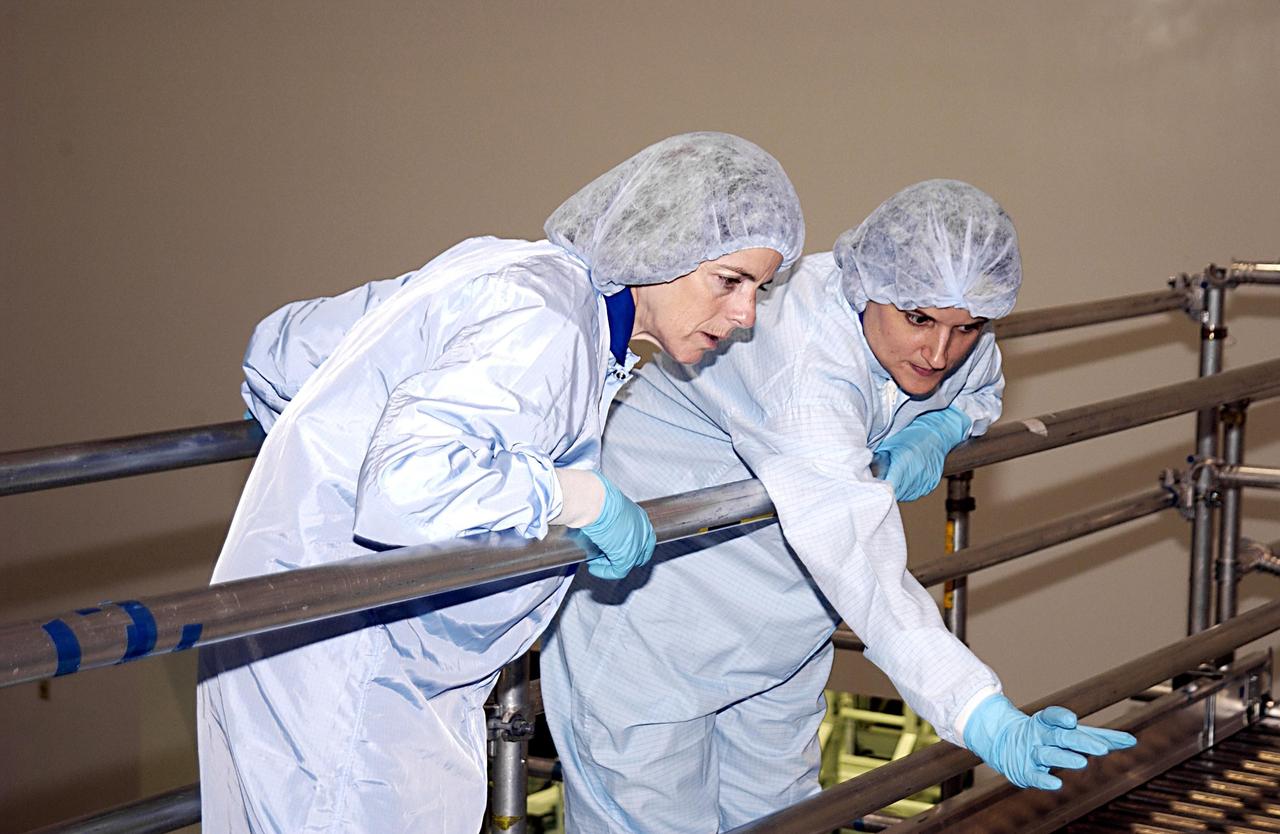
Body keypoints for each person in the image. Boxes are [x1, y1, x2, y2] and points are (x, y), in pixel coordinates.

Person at [195, 132, 804, 834]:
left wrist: (320, 424)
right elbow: (409, 483)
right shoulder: (543, 321)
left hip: (316, 647)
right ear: (656, 244)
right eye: (728, 280)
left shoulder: (522, 274)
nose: (746, 315)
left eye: (760, 288)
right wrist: (580, 498)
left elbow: (286, 347)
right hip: (352, 678)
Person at [540, 180, 1136, 833]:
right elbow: (861, 561)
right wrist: (981, 713)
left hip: (784, 621)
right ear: (866, 286)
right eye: (919, 322)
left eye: (965, 327)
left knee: (781, 817)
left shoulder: (948, 322)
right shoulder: (804, 373)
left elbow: (979, 383)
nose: (939, 353)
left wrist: (939, 427)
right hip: (655, 621)